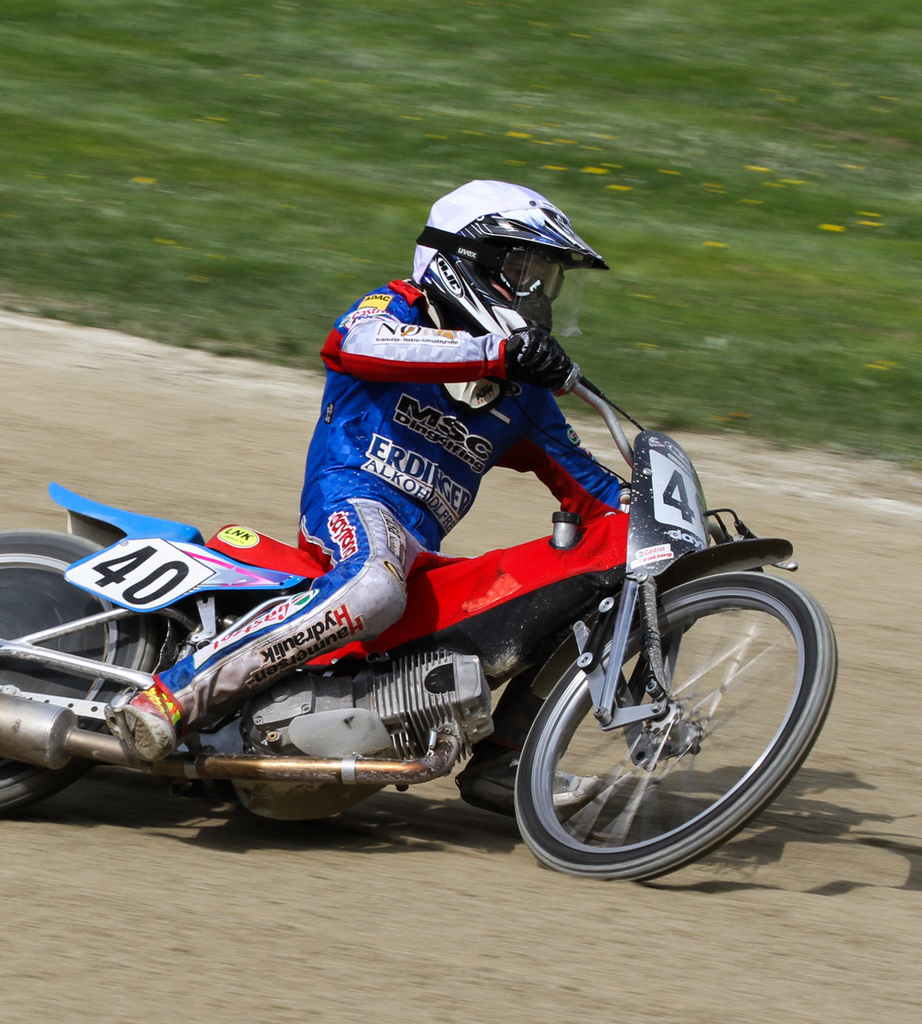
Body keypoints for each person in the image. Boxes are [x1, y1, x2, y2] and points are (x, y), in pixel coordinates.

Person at [109, 180, 622, 811]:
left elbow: (597, 492)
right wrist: (492, 350)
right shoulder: (396, 306)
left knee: (598, 585)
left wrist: (667, 525)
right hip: (351, 503)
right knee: (376, 583)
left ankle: (509, 761)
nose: (537, 293)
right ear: (467, 262)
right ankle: (172, 696)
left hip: (418, 553)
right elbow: (350, 343)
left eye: (547, 277)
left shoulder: (526, 398)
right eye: (522, 269)